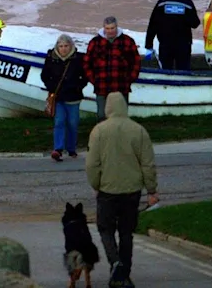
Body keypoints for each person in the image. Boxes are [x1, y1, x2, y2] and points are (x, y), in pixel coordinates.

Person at [87, 93, 158, 288]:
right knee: (127, 232)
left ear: (107, 108)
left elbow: (92, 164)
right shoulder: (139, 131)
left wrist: (96, 184)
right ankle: (124, 273)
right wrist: (151, 190)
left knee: (105, 228)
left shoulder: (98, 131)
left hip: (107, 190)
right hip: (132, 190)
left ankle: (115, 262)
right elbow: (148, 164)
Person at [41, 34, 89, 162]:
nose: (63, 49)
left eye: (66, 46)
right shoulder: (51, 58)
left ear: (71, 46)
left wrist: (78, 86)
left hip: (73, 96)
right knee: (59, 122)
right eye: (61, 46)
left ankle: (71, 148)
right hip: (58, 97)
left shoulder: (78, 59)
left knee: (72, 123)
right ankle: (58, 149)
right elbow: (44, 75)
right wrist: (51, 87)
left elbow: (85, 76)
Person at [84, 17, 141, 121]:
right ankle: (102, 137)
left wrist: (130, 79)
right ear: (104, 28)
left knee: (121, 116)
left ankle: (121, 137)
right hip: (101, 86)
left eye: (112, 28)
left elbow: (136, 61)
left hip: (121, 86)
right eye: (107, 28)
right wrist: (94, 80)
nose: (110, 31)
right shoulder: (95, 42)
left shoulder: (127, 41)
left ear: (116, 27)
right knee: (102, 116)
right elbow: (87, 63)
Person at [144, 0, 200, 71]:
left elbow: (152, 25)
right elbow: (195, 23)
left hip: (165, 44)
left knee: (165, 70)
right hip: (183, 45)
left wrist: (148, 46)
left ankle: (166, 84)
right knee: (183, 71)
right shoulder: (188, 4)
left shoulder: (161, 4)